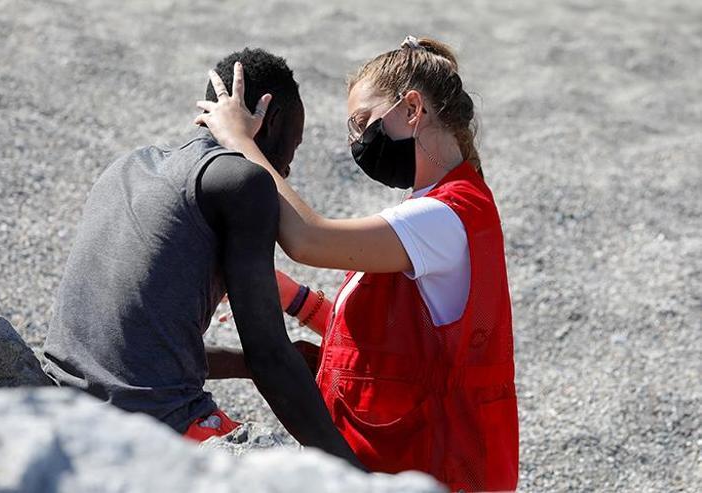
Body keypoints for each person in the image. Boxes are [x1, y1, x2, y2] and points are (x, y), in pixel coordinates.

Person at [195, 36, 518, 491]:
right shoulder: (435, 209)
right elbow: (394, 343)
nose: (356, 141)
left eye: (363, 122)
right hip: (405, 457)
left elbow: (308, 239)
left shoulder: (446, 216)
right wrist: (296, 299)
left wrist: (240, 142)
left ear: (411, 109)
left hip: (431, 462)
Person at [41, 48, 363, 469]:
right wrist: (352, 474)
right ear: (275, 120)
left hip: (57, 401)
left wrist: (241, 365)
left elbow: (134, 351)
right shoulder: (243, 183)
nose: (287, 167)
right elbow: (270, 359)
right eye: (294, 146)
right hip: (155, 427)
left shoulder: (127, 167)